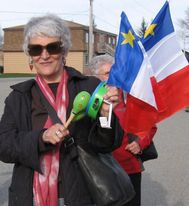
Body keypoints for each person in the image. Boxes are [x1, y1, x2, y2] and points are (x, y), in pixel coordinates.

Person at [0, 14, 123, 206]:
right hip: (30, 196)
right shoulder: (19, 97)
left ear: (64, 50)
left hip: (79, 195)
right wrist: (41, 138)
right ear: (30, 55)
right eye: (36, 49)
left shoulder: (89, 87)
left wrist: (106, 116)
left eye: (52, 47)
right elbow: (4, 146)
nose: (45, 55)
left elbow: (106, 145)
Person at [89, 54, 157, 206]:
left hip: (129, 167)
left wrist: (140, 143)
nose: (113, 77)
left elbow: (150, 125)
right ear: (95, 77)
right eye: (107, 73)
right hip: (101, 169)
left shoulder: (129, 96)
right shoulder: (90, 100)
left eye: (115, 72)